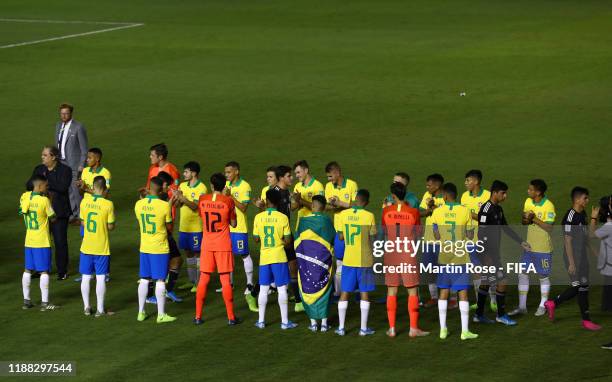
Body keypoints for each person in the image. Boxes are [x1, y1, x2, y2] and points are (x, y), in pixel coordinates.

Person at [473, 180, 531, 326]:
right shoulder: (486, 209)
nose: (505, 196)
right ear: (495, 193)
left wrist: (520, 241)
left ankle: (478, 315)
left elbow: (505, 227)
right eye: (503, 193)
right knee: (502, 281)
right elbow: (482, 233)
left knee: (486, 282)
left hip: (493, 252)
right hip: (487, 253)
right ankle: (501, 315)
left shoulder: (498, 209)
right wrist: (486, 256)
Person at [544, 187, 601, 331]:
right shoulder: (570, 217)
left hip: (582, 257)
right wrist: (571, 263)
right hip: (573, 257)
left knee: (581, 287)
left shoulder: (583, 214)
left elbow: (588, 236)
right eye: (585, 198)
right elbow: (567, 241)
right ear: (577, 200)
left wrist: (595, 253)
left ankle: (553, 303)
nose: (587, 201)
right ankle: (586, 320)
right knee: (580, 287)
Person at [193, 173, 242, 326]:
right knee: (225, 280)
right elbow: (233, 224)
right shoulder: (228, 201)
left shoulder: (202, 199)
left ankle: (198, 316)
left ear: (212, 185)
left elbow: (202, 216)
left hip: (207, 245)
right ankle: (231, 317)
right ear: (224, 186)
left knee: (203, 279)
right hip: (223, 245)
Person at [381, 182, 428, 338]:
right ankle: (413, 328)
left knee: (392, 290)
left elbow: (385, 231)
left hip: (391, 253)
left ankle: (392, 329)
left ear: (393, 196)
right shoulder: (414, 212)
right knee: (412, 290)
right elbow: (419, 233)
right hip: (407, 253)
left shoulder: (386, 211)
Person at [431, 183, 478, 340]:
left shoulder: (437, 212)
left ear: (444, 196)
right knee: (463, 293)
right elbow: (470, 235)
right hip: (460, 257)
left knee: (443, 292)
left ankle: (442, 330)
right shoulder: (465, 211)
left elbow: (436, 235)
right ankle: (464, 332)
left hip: (444, 257)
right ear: (456, 195)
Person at [509, 179, 555, 316]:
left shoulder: (549, 206)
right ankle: (522, 307)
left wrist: (533, 218)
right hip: (529, 247)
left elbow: (550, 228)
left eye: (531, 189)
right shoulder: (528, 202)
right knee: (522, 273)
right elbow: (524, 221)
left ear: (538, 192)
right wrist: (526, 219)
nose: (528, 191)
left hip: (543, 248)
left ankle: (543, 304)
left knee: (543, 276)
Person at [253, 189, 298, 330]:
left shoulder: (258, 217)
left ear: (266, 200)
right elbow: (289, 241)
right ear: (278, 201)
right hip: (279, 257)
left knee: (264, 289)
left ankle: (261, 321)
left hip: (264, 258)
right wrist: (281, 241)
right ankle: (285, 322)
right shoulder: (283, 217)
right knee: (282, 289)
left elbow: (256, 239)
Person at [335, 189, 376, 337]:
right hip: (364, 260)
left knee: (345, 293)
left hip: (348, 259)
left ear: (355, 199)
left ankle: (341, 328)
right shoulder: (369, 216)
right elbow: (373, 238)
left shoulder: (343, 215)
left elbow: (340, 237)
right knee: (364, 293)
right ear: (367, 202)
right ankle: (364, 329)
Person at [134, 176, 176, 323]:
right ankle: (161, 315)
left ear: (149, 187)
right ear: (161, 189)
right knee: (160, 280)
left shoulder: (138, 204)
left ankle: (141, 312)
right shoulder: (165, 206)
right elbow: (170, 228)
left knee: (144, 279)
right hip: (159, 248)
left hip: (144, 246)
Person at [294, 195, 335, 332]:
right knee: (325, 288)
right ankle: (324, 324)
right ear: (324, 208)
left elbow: (297, 239)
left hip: (306, 260)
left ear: (312, 206)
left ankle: (313, 323)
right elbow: (332, 239)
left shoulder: (303, 221)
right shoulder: (326, 221)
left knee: (306, 287)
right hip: (323, 261)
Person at [31, 146, 72, 280]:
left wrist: (44, 182)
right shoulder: (39, 169)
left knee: (60, 242)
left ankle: (62, 271)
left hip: (59, 213)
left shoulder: (65, 170)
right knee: (43, 242)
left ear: (53, 157)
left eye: (45, 155)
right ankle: (42, 269)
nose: (42, 157)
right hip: (42, 213)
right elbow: (29, 185)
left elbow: (62, 187)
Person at [20, 175, 58, 311]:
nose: (47, 187)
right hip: (42, 241)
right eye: (46, 185)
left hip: (29, 240)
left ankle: (26, 301)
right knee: (44, 271)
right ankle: (45, 303)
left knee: (27, 270)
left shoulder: (24, 197)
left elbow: (22, 210)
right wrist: (50, 200)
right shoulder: (44, 201)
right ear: (40, 186)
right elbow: (53, 218)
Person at [79, 176, 115, 317]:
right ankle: (100, 310)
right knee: (100, 277)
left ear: (93, 188)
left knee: (86, 277)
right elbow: (111, 226)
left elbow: (82, 222)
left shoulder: (84, 202)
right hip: (101, 247)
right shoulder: (108, 204)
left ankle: (87, 307)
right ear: (105, 189)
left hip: (86, 246)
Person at [460, 169, 495, 311]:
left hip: (485, 238)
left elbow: (490, 217)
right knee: (475, 270)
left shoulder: (487, 196)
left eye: (468, 180)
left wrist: (470, 214)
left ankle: (493, 300)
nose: (466, 183)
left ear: (476, 181)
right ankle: (478, 299)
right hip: (469, 239)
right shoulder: (464, 196)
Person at [324, 161, 359, 298]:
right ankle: (339, 293)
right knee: (339, 261)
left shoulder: (351, 185)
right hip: (338, 230)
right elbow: (327, 207)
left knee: (354, 262)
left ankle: (356, 290)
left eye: (330, 176)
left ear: (337, 173)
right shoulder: (328, 187)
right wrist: (338, 205)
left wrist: (340, 203)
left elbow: (357, 205)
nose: (329, 180)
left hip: (351, 230)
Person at [271, 165, 303, 312]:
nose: (292, 178)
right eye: (289, 176)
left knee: (293, 266)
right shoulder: (274, 193)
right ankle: (253, 292)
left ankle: (297, 301)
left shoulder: (286, 192)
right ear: (282, 177)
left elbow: (290, 208)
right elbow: (270, 215)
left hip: (287, 234)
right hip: (280, 237)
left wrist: (297, 200)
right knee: (278, 269)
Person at [174, 161, 208, 292]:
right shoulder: (183, 185)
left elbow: (196, 206)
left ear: (193, 173)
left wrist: (183, 198)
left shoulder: (202, 188)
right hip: (184, 226)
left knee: (198, 254)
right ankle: (192, 281)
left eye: (186, 172)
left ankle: (199, 283)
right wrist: (177, 198)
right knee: (188, 253)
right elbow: (177, 206)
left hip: (196, 228)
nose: (184, 174)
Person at [224, 161, 255, 296]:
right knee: (227, 255)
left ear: (236, 171)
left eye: (229, 172)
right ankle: (229, 284)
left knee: (244, 254)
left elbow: (243, 207)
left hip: (239, 228)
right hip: (226, 227)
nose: (227, 175)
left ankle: (249, 284)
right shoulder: (226, 185)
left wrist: (230, 196)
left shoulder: (245, 186)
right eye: (226, 172)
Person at [54, 103, 88, 223]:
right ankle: (73, 214)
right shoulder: (58, 125)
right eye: (62, 113)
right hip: (62, 163)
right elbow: (57, 144)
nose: (64, 115)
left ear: (71, 113)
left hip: (74, 164)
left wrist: (81, 165)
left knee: (76, 190)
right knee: (68, 189)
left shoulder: (78, 127)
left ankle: (80, 215)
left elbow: (84, 149)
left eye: (66, 113)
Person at [419, 173, 446, 308]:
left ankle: (451, 299)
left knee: (446, 270)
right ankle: (434, 297)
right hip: (429, 240)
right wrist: (429, 209)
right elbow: (420, 212)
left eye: (429, 185)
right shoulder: (427, 195)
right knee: (430, 269)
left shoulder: (446, 197)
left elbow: (447, 217)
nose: (427, 186)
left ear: (437, 185)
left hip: (443, 242)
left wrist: (434, 208)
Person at [590, 195, 612, 311]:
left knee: (608, 286)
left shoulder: (608, 227)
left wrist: (593, 218)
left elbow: (591, 235)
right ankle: (606, 306)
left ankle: (607, 306)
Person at [293, 160, 325, 229]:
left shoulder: (318, 186)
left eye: (298, 172)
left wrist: (301, 201)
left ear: (306, 170)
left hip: (313, 227)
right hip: (300, 226)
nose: (296, 176)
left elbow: (319, 208)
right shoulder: (297, 186)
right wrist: (294, 201)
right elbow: (293, 207)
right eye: (295, 173)